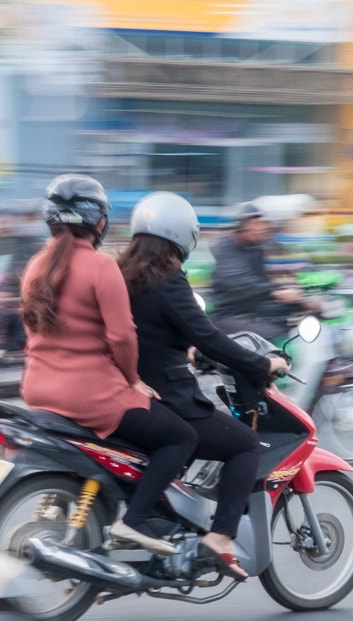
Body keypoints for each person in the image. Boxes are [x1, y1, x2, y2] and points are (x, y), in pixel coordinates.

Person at [120, 192, 288, 580]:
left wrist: (187, 351)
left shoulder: (124, 274)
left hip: (134, 389)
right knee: (245, 444)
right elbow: (210, 335)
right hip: (169, 397)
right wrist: (263, 364)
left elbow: (153, 332)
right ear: (182, 236)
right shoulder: (168, 280)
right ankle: (221, 537)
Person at [19, 173, 190, 556]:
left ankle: (67, 501)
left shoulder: (34, 267)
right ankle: (134, 522)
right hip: (90, 394)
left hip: (37, 390)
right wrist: (133, 380)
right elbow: (122, 336)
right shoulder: (100, 267)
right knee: (180, 436)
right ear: (99, 223)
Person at [209, 203, 302, 340]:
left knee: (291, 327)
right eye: (256, 224)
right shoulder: (227, 248)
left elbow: (263, 279)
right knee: (275, 336)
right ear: (242, 227)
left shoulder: (256, 248)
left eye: (263, 223)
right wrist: (275, 291)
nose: (262, 228)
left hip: (253, 313)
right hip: (229, 316)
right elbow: (239, 280)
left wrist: (293, 295)